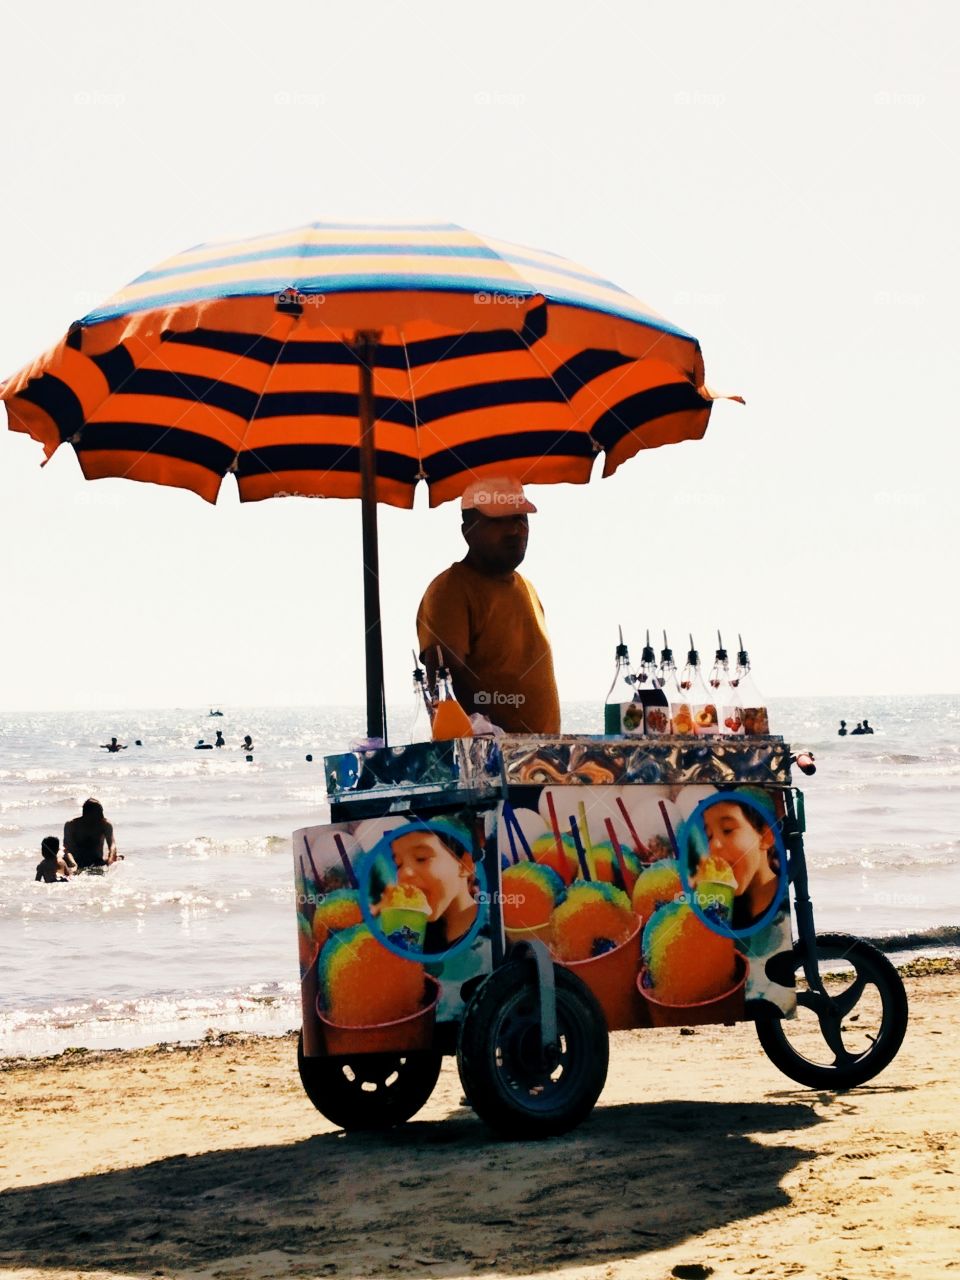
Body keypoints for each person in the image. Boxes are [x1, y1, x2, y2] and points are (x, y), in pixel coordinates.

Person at [416, 476, 560, 734]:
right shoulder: (451, 589)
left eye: (520, 519)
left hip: (542, 756)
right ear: (467, 530)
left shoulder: (527, 588)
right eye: (498, 521)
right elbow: (443, 687)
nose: (514, 530)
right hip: (491, 757)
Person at [388, 824, 479, 953]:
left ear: (465, 865)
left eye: (421, 858)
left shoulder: (497, 928)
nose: (403, 874)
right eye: (399, 864)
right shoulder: (414, 935)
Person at [63, 799, 119, 869]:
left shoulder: (104, 824)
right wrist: (73, 864)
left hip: (97, 861)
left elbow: (112, 845)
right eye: (94, 814)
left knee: (119, 858)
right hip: (76, 860)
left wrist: (110, 859)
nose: (97, 818)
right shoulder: (71, 825)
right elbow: (67, 849)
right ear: (85, 813)